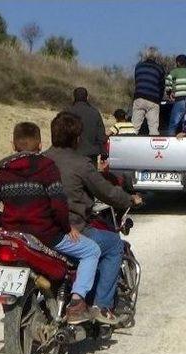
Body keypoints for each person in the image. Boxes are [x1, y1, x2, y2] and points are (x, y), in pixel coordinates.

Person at [0, 122, 101, 325]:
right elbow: (59, 205)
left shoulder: (4, 172)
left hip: (16, 237)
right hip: (46, 235)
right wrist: (67, 228)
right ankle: (77, 302)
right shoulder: (47, 168)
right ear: (40, 145)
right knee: (91, 250)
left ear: (13, 145)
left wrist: (7, 222)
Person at [44, 112, 142, 324]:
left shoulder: (41, 159)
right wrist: (129, 199)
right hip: (72, 228)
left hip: (42, 229)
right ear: (77, 138)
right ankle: (102, 306)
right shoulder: (81, 164)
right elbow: (107, 192)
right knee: (114, 244)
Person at [131, 47, 166, 135]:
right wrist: (159, 99)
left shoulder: (139, 66)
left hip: (139, 97)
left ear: (146, 55)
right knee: (153, 128)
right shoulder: (159, 69)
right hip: (153, 100)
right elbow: (162, 86)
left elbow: (137, 81)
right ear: (156, 57)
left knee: (134, 127)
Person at [67, 87, 107, 164]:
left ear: (74, 97)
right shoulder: (95, 113)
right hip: (90, 155)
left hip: (71, 154)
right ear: (87, 97)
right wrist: (103, 152)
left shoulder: (67, 112)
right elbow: (101, 136)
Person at [164, 54, 186, 135]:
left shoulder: (175, 71)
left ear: (178, 63)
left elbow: (167, 80)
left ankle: (170, 142)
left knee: (173, 124)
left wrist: (169, 92)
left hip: (180, 100)